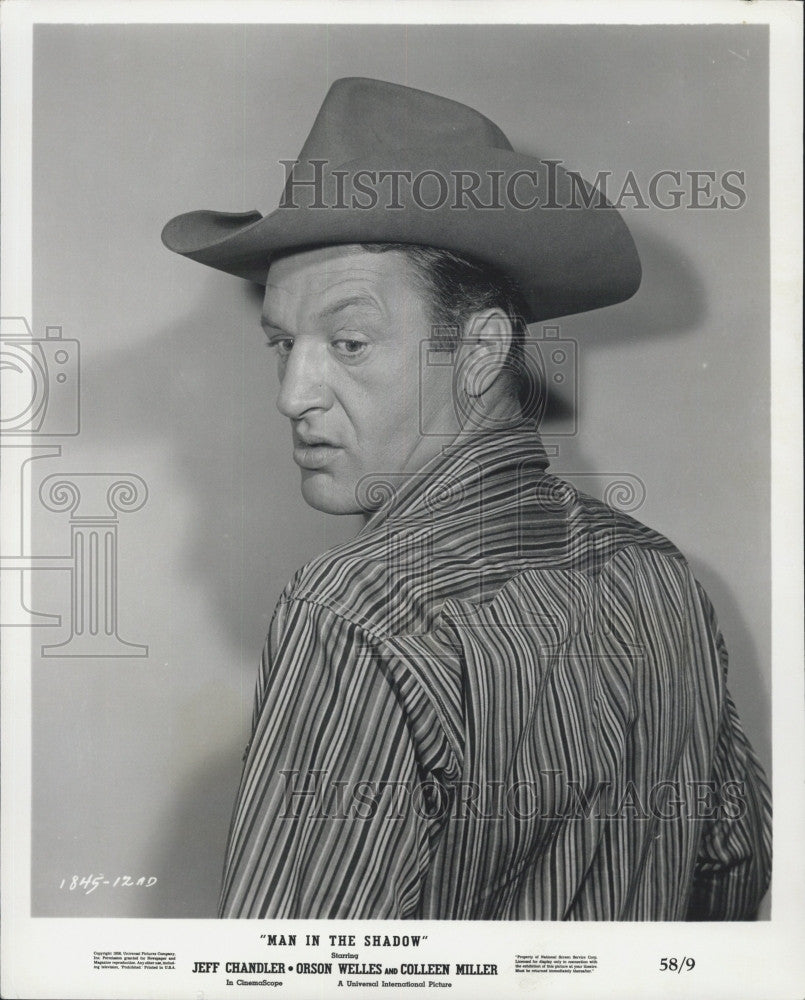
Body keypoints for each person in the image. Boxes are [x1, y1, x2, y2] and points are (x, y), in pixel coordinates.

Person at [162, 77, 771, 920]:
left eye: (348, 342)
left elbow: (292, 972)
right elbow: (731, 876)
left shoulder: (352, 608)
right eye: (282, 344)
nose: (293, 392)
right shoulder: (658, 578)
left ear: (482, 349)